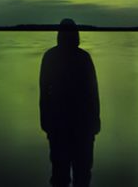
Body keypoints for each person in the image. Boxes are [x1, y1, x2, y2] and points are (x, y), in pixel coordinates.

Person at [39, 18, 100, 187]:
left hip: (69, 125)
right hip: (74, 125)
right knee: (76, 174)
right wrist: (95, 120)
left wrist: (45, 120)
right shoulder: (82, 58)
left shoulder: (52, 57)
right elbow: (93, 93)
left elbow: (44, 93)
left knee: (64, 173)